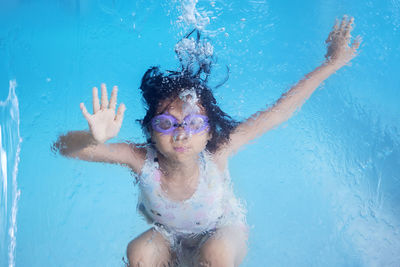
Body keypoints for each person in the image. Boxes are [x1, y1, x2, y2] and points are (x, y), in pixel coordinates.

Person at [53, 16, 360, 267]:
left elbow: (279, 111)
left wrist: (331, 63)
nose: (182, 133)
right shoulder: (140, 159)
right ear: (149, 131)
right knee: (139, 254)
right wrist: (90, 137)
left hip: (221, 232)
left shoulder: (218, 152)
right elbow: (63, 148)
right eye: (166, 123)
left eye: (194, 123)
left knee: (215, 256)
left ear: (210, 131)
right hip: (168, 237)